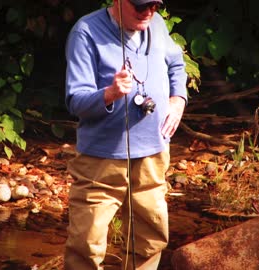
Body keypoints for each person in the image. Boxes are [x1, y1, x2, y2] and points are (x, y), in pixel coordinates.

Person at [64, 0, 187, 269]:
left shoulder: (156, 23)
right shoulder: (86, 31)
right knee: (87, 241)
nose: (148, 12)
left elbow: (177, 64)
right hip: (101, 158)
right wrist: (110, 94)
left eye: (154, 5)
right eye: (141, 6)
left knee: (150, 239)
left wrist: (178, 99)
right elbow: (76, 100)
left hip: (153, 153)